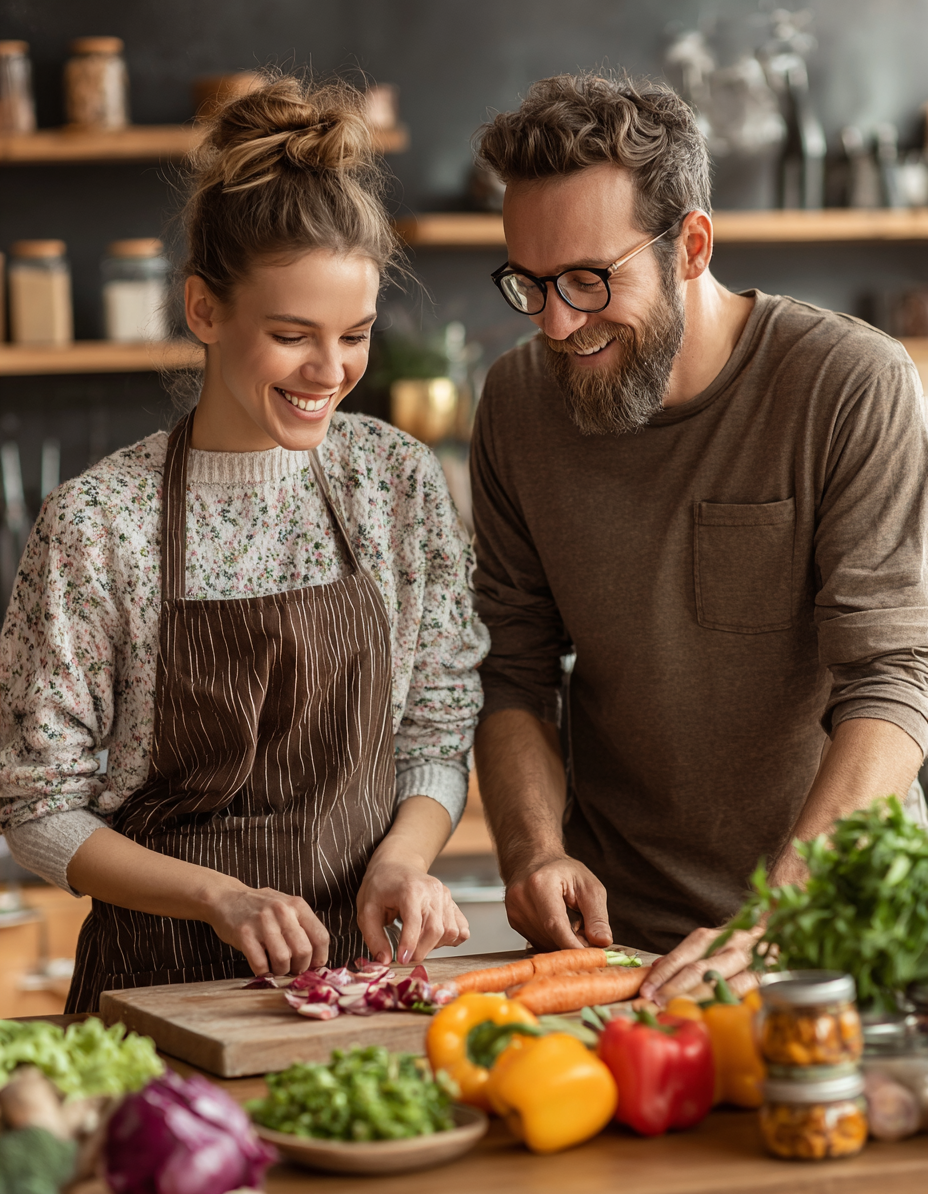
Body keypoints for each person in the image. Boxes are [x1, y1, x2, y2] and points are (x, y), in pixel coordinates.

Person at [0, 76, 489, 1011]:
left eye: (355, 335)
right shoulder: (98, 523)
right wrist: (218, 898)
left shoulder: (395, 482)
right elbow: (35, 810)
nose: (330, 372)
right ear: (204, 311)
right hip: (157, 992)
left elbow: (434, 722)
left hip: (360, 983)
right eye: (292, 335)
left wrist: (404, 859)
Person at [469, 72, 928, 1004]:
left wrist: (778, 919)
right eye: (532, 284)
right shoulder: (516, 401)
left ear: (691, 244)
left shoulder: (850, 385)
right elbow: (513, 668)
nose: (559, 323)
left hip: (831, 931)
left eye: (592, 280)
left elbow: (891, 679)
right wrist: (533, 849)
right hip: (613, 952)